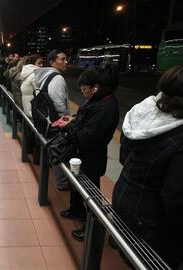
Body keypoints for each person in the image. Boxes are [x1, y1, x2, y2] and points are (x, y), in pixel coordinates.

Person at [112, 65, 183, 269]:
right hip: (151, 220)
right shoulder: (178, 136)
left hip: (125, 198)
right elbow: (176, 201)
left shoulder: (142, 112)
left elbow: (124, 157)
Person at [57, 64, 119, 241]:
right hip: (81, 153)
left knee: (92, 192)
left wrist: (69, 126)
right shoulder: (97, 99)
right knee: (77, 185)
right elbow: (85, 122)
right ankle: (76, 210)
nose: (82, 92)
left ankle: (93, 228)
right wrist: (74, 120)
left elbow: (87, 137)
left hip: (92, 156)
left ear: (95, 87)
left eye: (84, 89)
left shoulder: (106, 107)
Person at [36, 49, 71, 191]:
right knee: (59, 152)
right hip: (56, 121)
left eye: (66, 59)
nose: (66, 62)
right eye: (62, 59)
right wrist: (66, 121)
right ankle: (63, 183)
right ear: (52, 62)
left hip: (46, 119)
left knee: (53, 149)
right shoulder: (57, 78)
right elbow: (59, 104)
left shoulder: (44, 76)